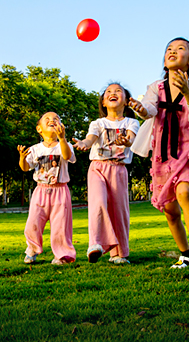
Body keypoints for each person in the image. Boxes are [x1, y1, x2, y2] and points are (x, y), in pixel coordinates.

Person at [129, 38, 189, 274]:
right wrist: (141, 109)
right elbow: (150, 110)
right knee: (171, 211)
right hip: (162, 157)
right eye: (169, 49)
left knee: (184, 192)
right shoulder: (156, 87)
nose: (172, 52)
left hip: (186, 152)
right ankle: (184, 255)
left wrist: (186, 92)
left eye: (179, 49)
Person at [73, 83, 139, 265]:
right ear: (103, 102)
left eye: (118, 91)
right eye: (108, 91)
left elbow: (131, 139)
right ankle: (95, 244)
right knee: (98, 203)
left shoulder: (132, 122)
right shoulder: (98, 123)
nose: (113, 93)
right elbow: (90, 138)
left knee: (119, 211)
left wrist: (126, 141)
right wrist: (84, 144)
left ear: (126, 101)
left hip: (119, 169)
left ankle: (119, 253)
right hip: (98, 168)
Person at [18, 112, 76, 265]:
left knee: (61, 225)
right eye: (47, 119)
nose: (52, 120)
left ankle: (62, 255)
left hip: (60, 190)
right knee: (33, 222)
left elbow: (67, 155)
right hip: (41, 190)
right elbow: (25, 168)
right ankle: (32, 249)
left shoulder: (65, 144)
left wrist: (62, 138)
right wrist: (22, 158)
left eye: (56, 119)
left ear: (61, 126)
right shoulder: (35, 149)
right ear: (39, 129)